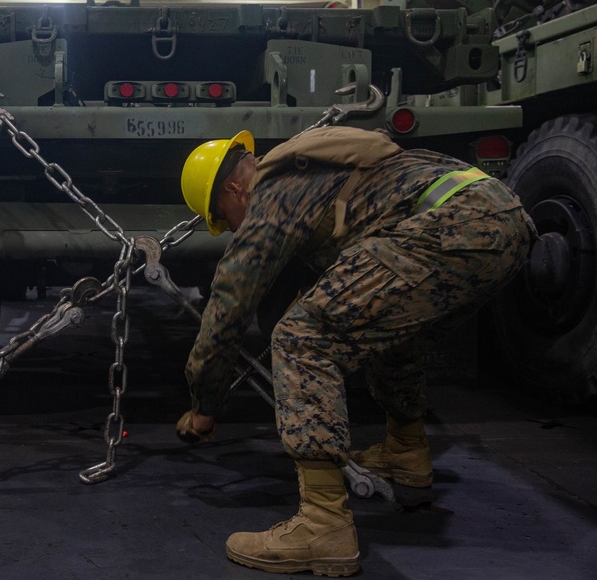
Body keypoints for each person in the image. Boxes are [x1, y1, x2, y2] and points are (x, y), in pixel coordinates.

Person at [175, 126, 536, 577]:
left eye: (221, 216)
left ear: (233, 189)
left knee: (302, 337)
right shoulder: (319, 167)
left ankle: (323, 525)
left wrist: (204, 406)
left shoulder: (271, 193)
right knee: (388, 330)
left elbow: (229, 302)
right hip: (506, 217)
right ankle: (406, 453)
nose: (229, 227)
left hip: (452, 226)